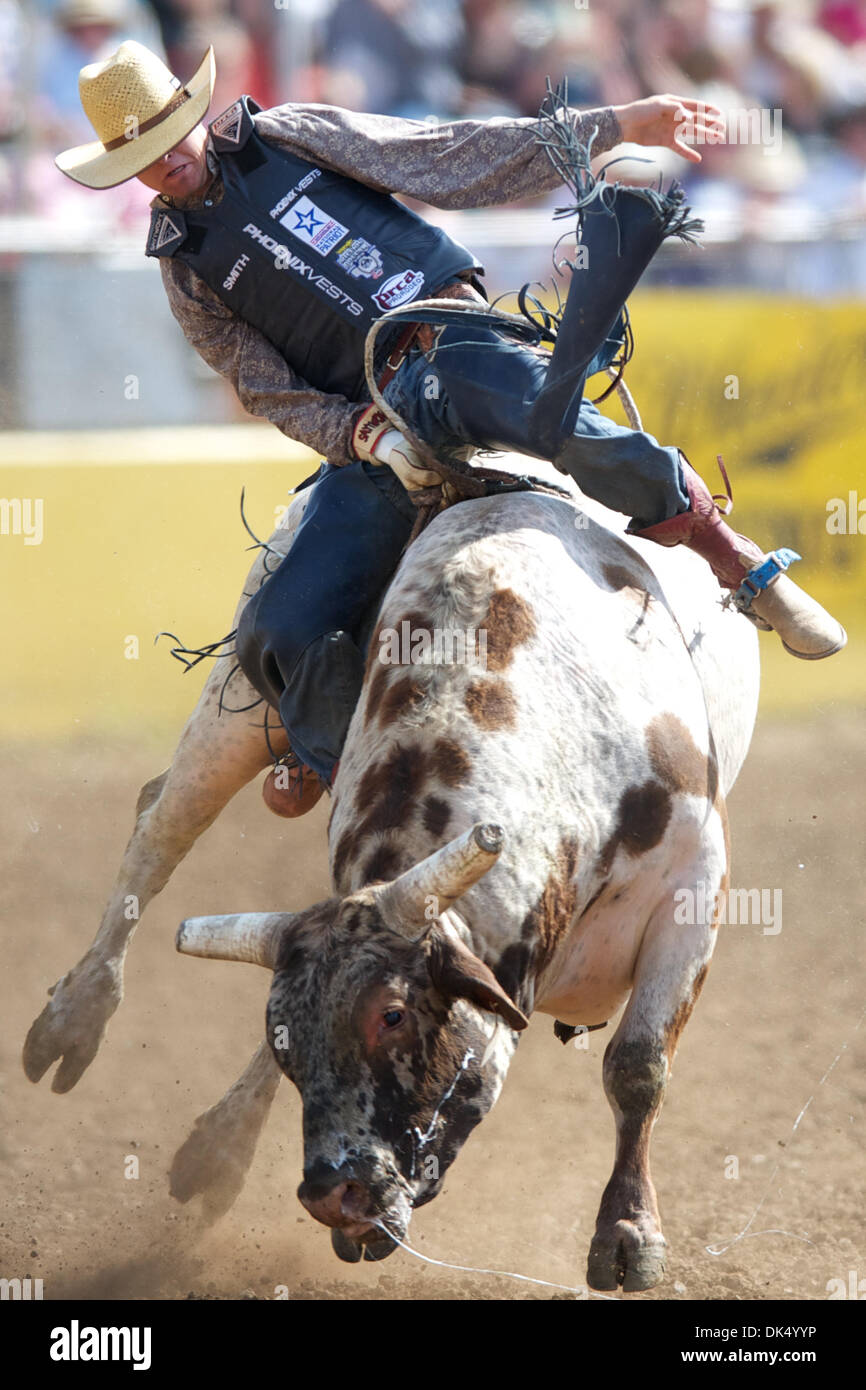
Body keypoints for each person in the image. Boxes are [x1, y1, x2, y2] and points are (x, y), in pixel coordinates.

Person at [56, 41, 846, 814]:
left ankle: (734, 560)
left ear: (191, 114)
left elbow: (444, 153)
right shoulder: (184, 269)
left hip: (451, 344)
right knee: (278, 625)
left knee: (560, 420)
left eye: (166, 134)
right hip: (375, 424)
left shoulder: (286, 134)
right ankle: (360, 795)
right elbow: (265, 386)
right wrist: (361, 437)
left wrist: (617, 124)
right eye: (142, 154)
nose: (164, 161)